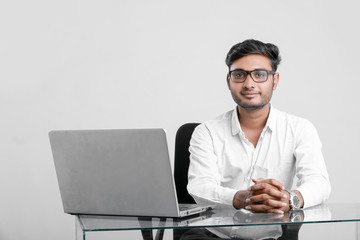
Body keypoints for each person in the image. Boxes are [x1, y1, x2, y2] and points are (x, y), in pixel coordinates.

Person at [187, 39, 331, 214]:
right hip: (214, 233)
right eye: (239, 75)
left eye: (260, 74)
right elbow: (200, 186)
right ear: (229, 80)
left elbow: (319, 182)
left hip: (273, 232)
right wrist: (239, 198)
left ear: (274, 80)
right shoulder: (207, 132)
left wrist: (290, 198)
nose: (249, 84)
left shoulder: (299, 128)